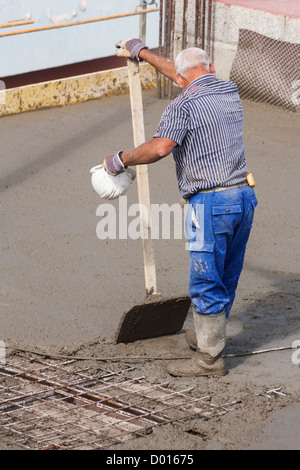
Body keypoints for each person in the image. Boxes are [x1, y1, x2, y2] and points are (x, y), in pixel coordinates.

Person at [103, 39, 258, 377]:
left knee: (205, 278)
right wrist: (142, 54)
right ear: (211, 69)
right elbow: (186, 73)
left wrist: (121, 159)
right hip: (243, 197)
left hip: (210, 203)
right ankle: (210, 337)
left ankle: (209, 360)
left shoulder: (182, 106)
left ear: (181, 81)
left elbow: (160, 147)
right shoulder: (229, 89)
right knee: (227, 273)